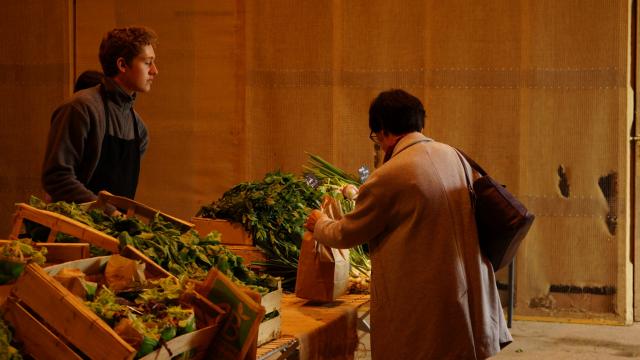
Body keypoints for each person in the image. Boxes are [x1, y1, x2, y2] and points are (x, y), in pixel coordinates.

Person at [305, 89, 512, 359]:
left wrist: (319, 223)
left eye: (376, 136)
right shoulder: (454, 155)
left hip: (427, 301)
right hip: (465, 288)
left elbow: (347, 233)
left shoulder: (391, 174)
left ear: (382, 130)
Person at [42, 27, 159, 204]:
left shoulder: (139, 130)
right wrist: (107, 212)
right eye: (147, 62)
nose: (155, 71)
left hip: (108, 231)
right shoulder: (81, 109)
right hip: (70, 229)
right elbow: (57, 178)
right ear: (122, 65)